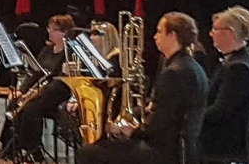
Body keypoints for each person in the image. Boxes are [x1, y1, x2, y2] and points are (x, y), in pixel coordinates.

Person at [76, 12, 209, 164]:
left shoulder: (174, 72)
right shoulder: (191, 66)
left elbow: (161, 125)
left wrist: (132, 131)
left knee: (88, 152)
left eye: (159, 31)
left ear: (172, 35)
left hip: (165, 152)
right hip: (183, 148)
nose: (155, 36)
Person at [0, 14, 75, 161]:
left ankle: (32, 149)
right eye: (49, 28)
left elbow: (61, 79)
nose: (49, 32)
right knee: (15, 103)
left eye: (53, 29)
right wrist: (21, 90)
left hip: (58, 90)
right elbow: (35, 74)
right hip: (41, 88)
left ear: (64, 32)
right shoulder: (47, 50)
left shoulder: (70, 52)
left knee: (31, 108)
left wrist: (35, 93)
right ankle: (8, 146)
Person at [200, 7, 249, 162]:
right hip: (222, 133)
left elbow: (220, 111)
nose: (210, 33)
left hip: (224, 139)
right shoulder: (234, 61)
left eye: (215, 29)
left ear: (230, 33)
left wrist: (190, 117)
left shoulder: (238, 67)